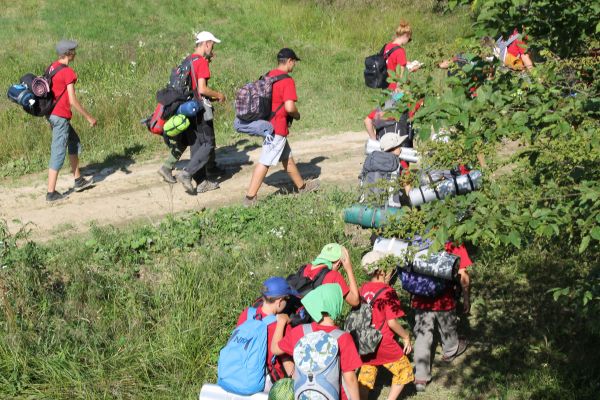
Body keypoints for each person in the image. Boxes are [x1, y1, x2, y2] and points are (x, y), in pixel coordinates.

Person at [243, 48, 319, 206]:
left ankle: (302, 187)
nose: (294, 65)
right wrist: (297, 115)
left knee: (287, 158)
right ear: (290, 61)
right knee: (265, 161)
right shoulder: (287, 81)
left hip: (267, 124)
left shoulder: (268, 75)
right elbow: (290, 107)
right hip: (277, 128)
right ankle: (250, 198)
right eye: (294, 62)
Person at [272, 284, 362, 400]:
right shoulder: (343, 338)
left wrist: (281, 322)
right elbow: (350, 379)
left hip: (303, 395)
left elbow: (275, 349)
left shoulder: (300, 331)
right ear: (336, 305)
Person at [411, 241, 472, 392]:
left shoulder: (417, 239)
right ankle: (450, 352)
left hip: (421, 297)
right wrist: (466, 298)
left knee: (422, 337)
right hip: (444, 299)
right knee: (448, 328)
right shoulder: (454, 243)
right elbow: (462, 274)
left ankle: (420, 379)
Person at [175, 31, 227, 195]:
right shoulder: (201, 62)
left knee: (196, 145)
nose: (212, 49)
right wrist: (219, 95)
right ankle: (187, 173)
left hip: (187, 107)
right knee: (208, 143)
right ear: (207, 44)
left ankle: (202, 182)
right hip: (199, 107)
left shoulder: (188, 60)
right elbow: (202, 89)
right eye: (212, 45)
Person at [45, 40, 97, 202]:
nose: (75, 53)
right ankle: (51, 193)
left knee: (73, 142)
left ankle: (78, 180)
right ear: (68, 54)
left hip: (52, 114)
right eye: (73, 50)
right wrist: (89, 117)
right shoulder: (67, 72)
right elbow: (72, 100)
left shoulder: (51, 67)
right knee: (58, 151)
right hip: (60, 117)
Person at [358, 251, 413, 400]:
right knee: (404, 370)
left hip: (365, 340)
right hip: (383, 341)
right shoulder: (388, 292)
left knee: (366, 374)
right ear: (382, 270)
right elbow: (392, 322)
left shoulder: (362, 289)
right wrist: (406, 337)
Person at [236, 277, 298, 390]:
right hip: (265, 383)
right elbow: (287, 363)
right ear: (279, 302)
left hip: (238, 373)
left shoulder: (247, 313)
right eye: (287, 299)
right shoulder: (281, 326)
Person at [299, 243, 360, 307]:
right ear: (338, 264)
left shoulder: (305, 268)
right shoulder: (333, 276)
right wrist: (349, 269)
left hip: (297, 312)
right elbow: (355, 301)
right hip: (316, 316)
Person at [360, 133, 411, 207]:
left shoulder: (371, 160)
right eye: (400, 146)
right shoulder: (401, 163)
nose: (401, 148)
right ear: (394, 148)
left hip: (366, 206)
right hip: (390, 208)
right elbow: (408, 189)